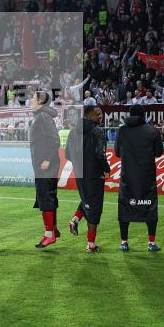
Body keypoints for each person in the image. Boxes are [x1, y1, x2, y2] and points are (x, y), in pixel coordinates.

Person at [113, 104, 163, 252]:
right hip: (146, 176)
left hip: (127, 176)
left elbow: (117, 152)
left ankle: (124, 242)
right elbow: (159, 152)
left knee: (125, 208)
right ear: (143, 115)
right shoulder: (152, 130)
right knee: (150, 208)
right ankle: (151, 243)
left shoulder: (122, 130)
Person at [67, 105, 110, 253]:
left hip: (79, 173)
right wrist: (106, 169)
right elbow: (100, 154)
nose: (100, 116)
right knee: (95, 208)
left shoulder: (73, 132)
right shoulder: (97, 132)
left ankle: (76, 219)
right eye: (98, 114)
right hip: (94, 175)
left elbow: (67, 154)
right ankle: (91, 244)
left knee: (87, 200)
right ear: (89, 116)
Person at [29, 91, 61, 248]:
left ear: (40, 102)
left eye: (33, 98)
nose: (30, 100)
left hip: (46, 165)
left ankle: (49, 235)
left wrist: (47, 159)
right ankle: (53, 229)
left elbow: (55, 140)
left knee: (45, 198)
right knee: (48, 197)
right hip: (45, 165)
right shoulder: (42, 116)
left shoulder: (42, 117)